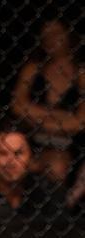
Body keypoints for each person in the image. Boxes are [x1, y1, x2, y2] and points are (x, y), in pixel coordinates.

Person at [11, 19, 84, 183]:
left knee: (57, 166)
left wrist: (37, 117)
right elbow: (17, 106)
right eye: (46, 35)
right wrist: (61, 118)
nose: (51, 39)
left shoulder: (81, 74)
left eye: (56, 33)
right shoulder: (33, 69)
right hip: (29, 140)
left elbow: (79, 122)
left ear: (68, 35)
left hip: (69, 146)